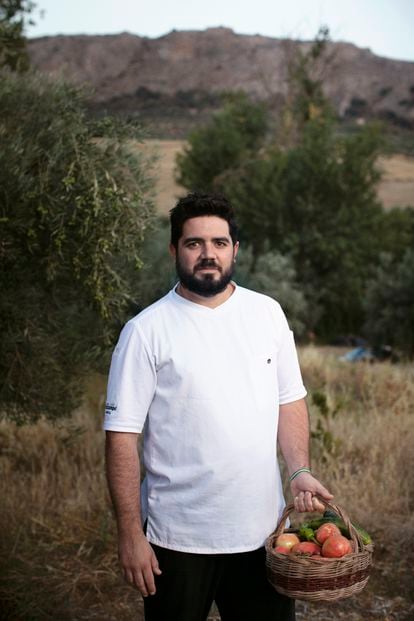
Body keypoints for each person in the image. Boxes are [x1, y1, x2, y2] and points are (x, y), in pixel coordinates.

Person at [104, 192, 333, 621]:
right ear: (174, 249)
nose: (208, 254)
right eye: (194, 243)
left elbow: (290, 400)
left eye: (219, 243)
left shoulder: (267, 314)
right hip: (175, 541)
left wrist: (299, 470)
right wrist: (130, 533)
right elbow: (120, 439)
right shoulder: (145, 332)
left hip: (263, 537)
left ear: (235, 249)